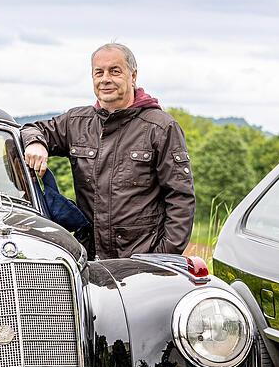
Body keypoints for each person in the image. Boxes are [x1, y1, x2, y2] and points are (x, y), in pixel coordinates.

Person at [21, 43, 195, 259]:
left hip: (141, 263)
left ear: (133, 76)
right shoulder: (77, 122)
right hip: (88, 260)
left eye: (115, 71)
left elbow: (181, 199)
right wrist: (35, 142)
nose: (105, 79)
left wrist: (161, 257)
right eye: (99, 72)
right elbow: (31, 129)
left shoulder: (160, 127)